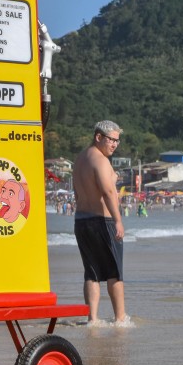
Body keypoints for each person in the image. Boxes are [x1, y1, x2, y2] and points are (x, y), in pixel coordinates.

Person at [72, 120, 129, 324]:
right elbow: (107, 192)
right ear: (98, 137)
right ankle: (120, 319)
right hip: (103, 222)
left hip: (82, 221)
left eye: (117, 141)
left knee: (92, 273)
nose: (114, 144)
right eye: (111, 140)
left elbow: (78, 193)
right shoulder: (101, 160)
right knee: (114, 272)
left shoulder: (80, 159)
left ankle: (92, 319)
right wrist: (118, 220)